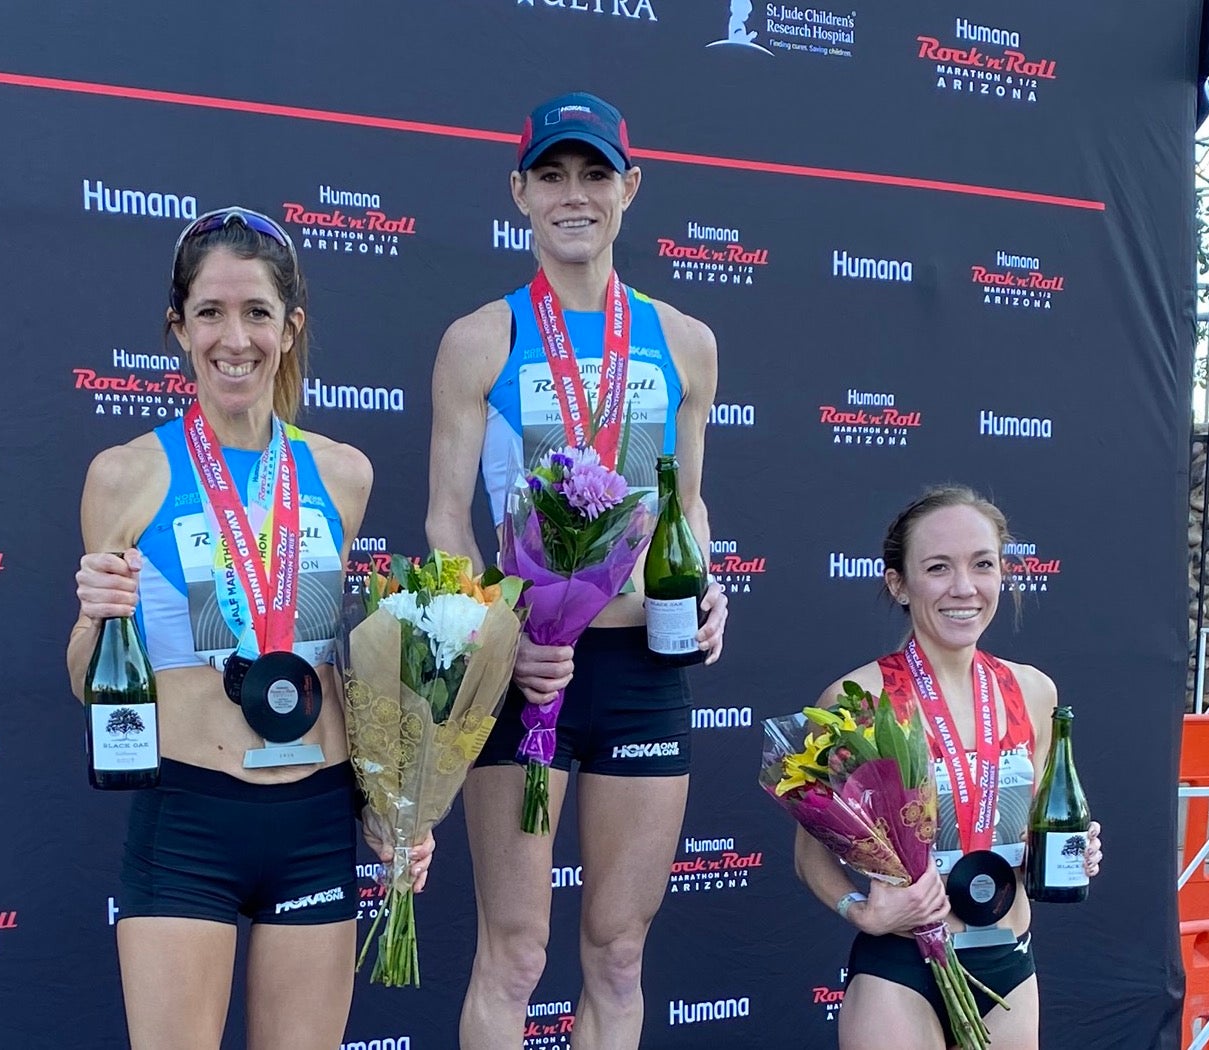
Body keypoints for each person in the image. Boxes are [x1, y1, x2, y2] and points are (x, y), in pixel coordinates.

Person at [68, 207, 433, 1050]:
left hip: (313, 823)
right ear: (179, 328)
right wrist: (95, 617)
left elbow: (346, 665)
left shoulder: (342, 474)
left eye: (257, 313)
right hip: (189, 816)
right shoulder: (125, 475)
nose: (235, 338)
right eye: (210, 313)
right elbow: (90, 680)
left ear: (289, 326)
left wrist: (393, 806)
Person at [425, 92, 728, 1050]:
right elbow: (445, 518)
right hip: (526, 675)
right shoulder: (482, 339)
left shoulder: (686, 341)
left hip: (644, 666)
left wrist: (706, 586)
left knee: (619, 953)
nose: (574, 195)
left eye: (594, 174)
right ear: (519, 192)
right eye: (552, 175)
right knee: (513, 953)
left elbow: (685, 506)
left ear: (628, 189)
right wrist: (498, 641)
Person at [793, 485, 1105, 1050]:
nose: (964, 588)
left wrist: (1070, 849)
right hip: (902, 966)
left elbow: (1035, 826)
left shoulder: (1035, 691)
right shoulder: (858, 698)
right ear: (899, 584)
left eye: (982, 564)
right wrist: (859, 910)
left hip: (1008, 964)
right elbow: (810, 851)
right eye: (938, 568)